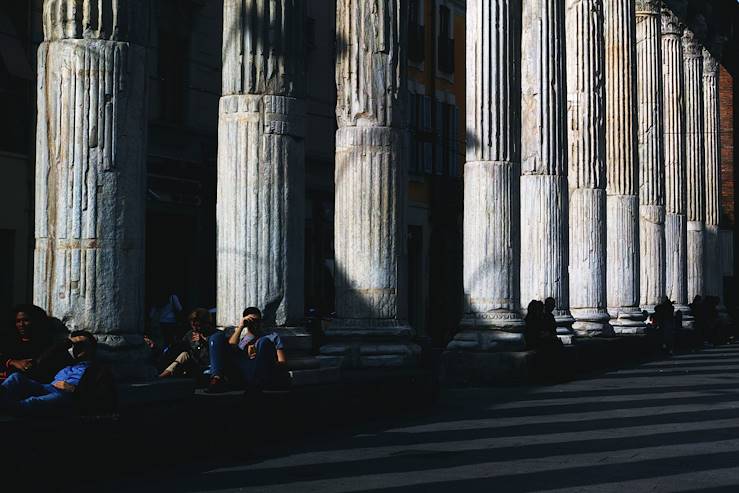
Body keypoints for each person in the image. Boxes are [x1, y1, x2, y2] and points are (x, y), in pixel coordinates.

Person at [0, 331, 97, 416]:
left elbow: (101, 397)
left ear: (91, 347)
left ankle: (10, 407)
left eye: (82, 344)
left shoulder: (98, 370)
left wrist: (73, 389)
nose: (78, 347)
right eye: (76, 344)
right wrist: (68, 341)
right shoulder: (65, 361)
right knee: (16, 377)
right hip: (47, 387)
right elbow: (41, 361)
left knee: (34, 401)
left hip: (67, 396)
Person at [206, 307, 286, 393]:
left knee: (263, 342)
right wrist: (240, 327)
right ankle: (217, 378)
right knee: (217, 337)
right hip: (244, 372)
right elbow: (231, 347)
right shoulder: (245, 339)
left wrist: (259, 357)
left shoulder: (272, 336)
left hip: (261, 371)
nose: (255, 324)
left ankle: (256, 382)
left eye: (257, 321)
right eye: (251, 321)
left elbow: (282, 362)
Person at [0, 305, 53, 382]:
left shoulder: (45, 343)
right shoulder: (8, 341)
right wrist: (12, 362)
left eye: (26, 320)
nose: (21, 325)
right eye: (18, 321)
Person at [159, 308, 215, 379]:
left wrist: (204, 341)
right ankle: (164, 374)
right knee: (184, 354)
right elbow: (181, 345)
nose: (195, 329)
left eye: (198, 326)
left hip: (207, 365)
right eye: (193, 326)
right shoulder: (190, 334)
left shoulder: (215, 335)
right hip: (194, 364)